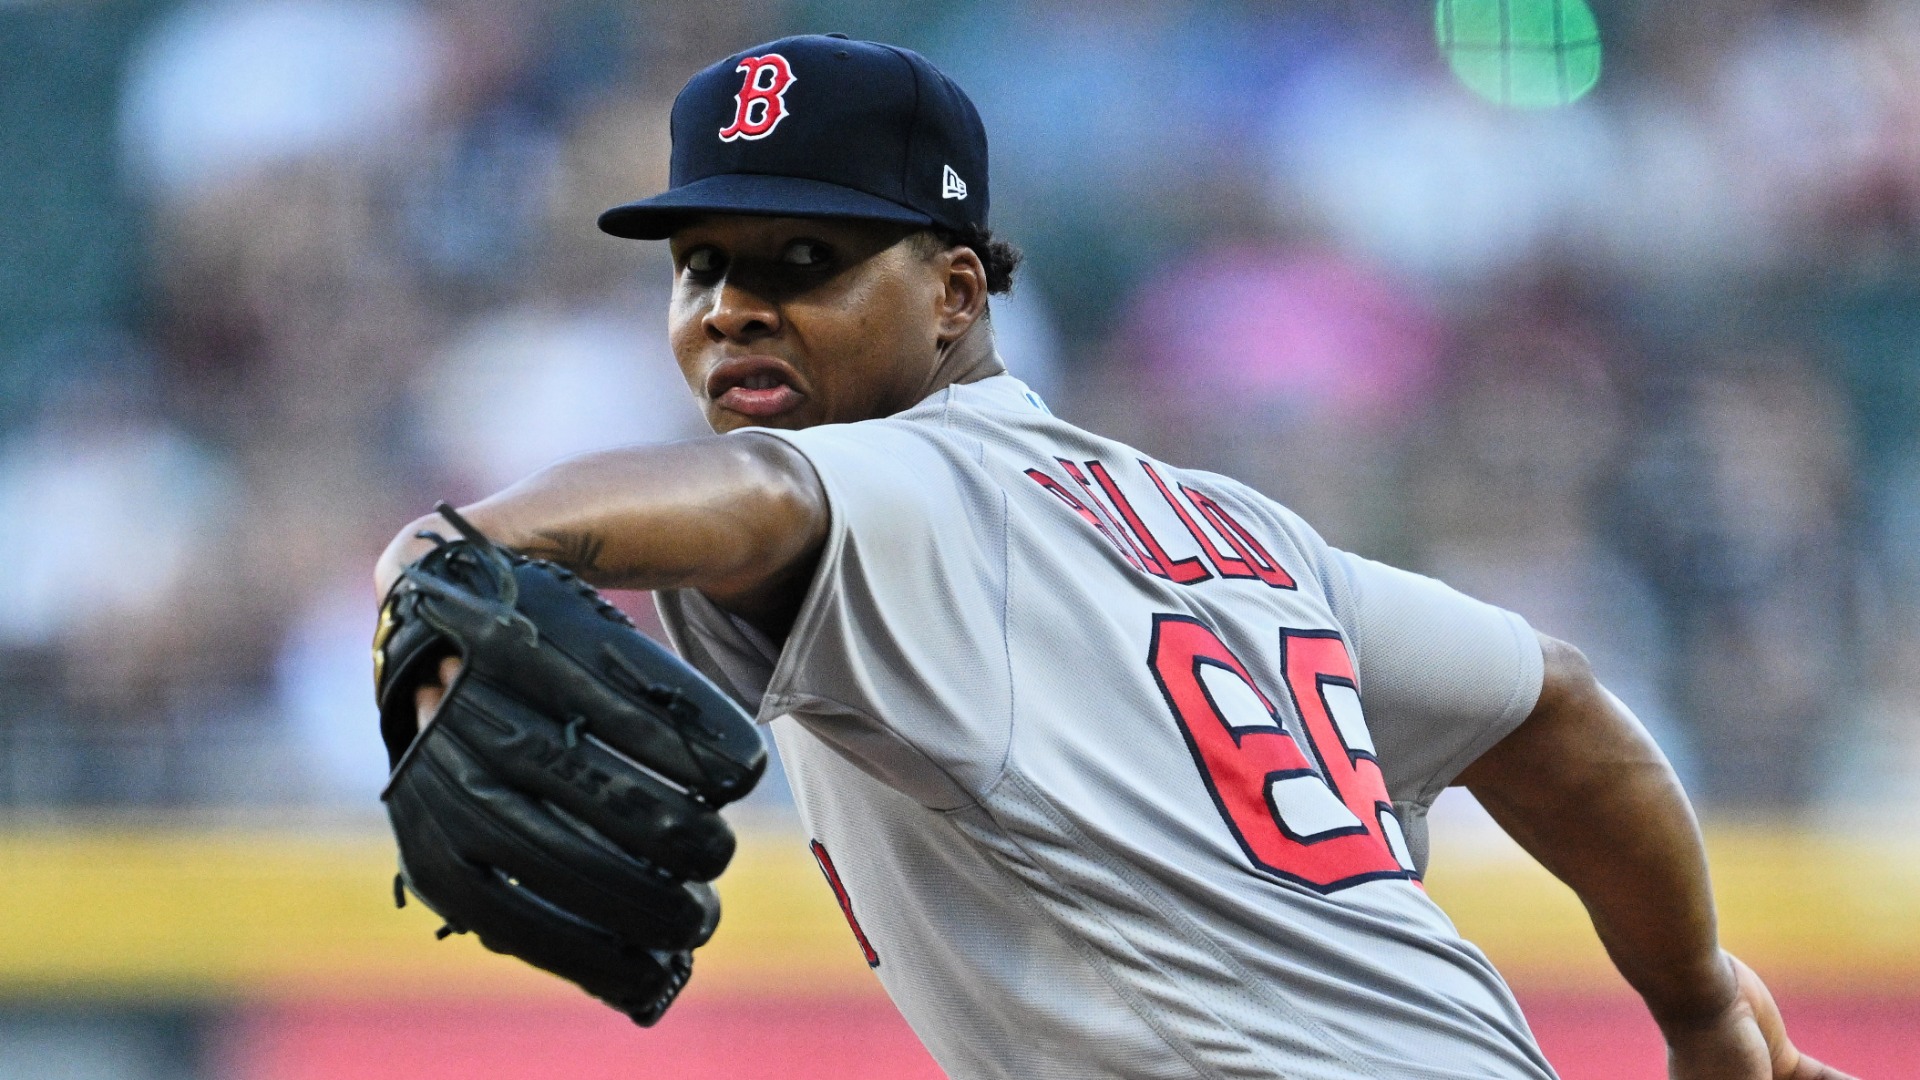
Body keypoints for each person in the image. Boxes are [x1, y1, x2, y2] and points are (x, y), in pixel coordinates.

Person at [377, 34, 1850, 1080]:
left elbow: (760, 494)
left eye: (803, 264)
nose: (732, 309)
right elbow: (1559, 709)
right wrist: (1704, 1009)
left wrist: (437, 555)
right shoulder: (1243, 533)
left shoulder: (898, 488)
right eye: (702, 267)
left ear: (956, 291)